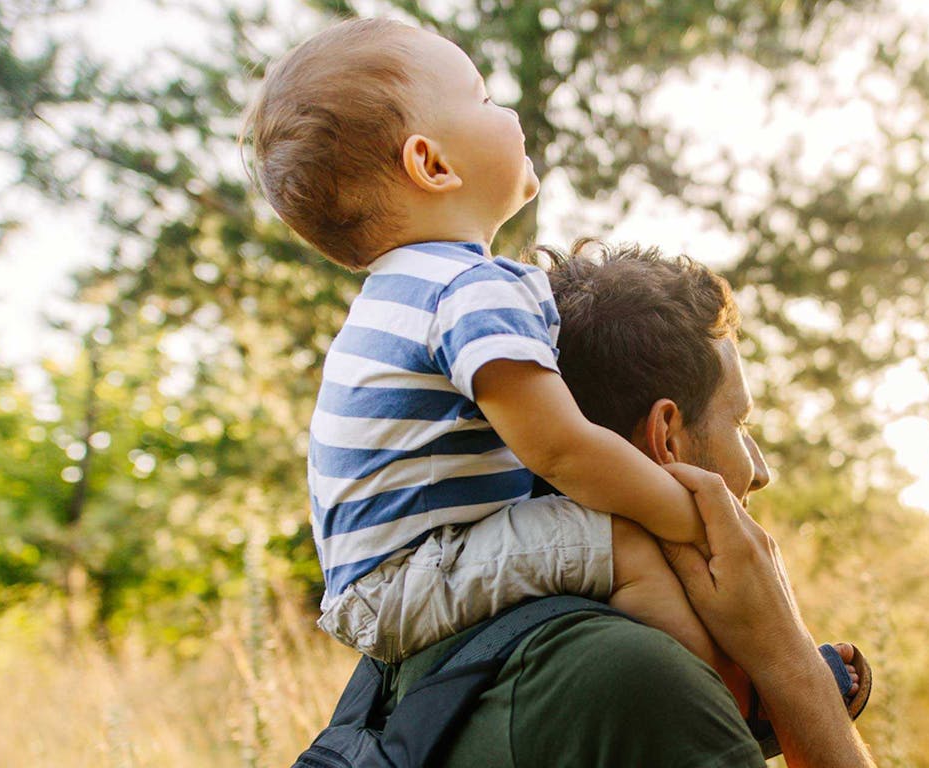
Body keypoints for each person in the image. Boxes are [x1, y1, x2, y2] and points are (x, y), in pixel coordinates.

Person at [242, 15, 862, 716]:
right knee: (623, 539)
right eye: (481, 99)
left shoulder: (396, 294)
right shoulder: (467, 287)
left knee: (581, 532)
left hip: (382, 577)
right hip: (410, 576)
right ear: (432, 165)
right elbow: (563, 449)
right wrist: (689, 517)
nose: (506, 110)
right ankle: (730, 705)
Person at [372, 242, 878, 767]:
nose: (762, 470)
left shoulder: (441, 626)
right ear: (667, 438)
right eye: (740, 424)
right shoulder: (646, 681)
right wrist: (790, 663)